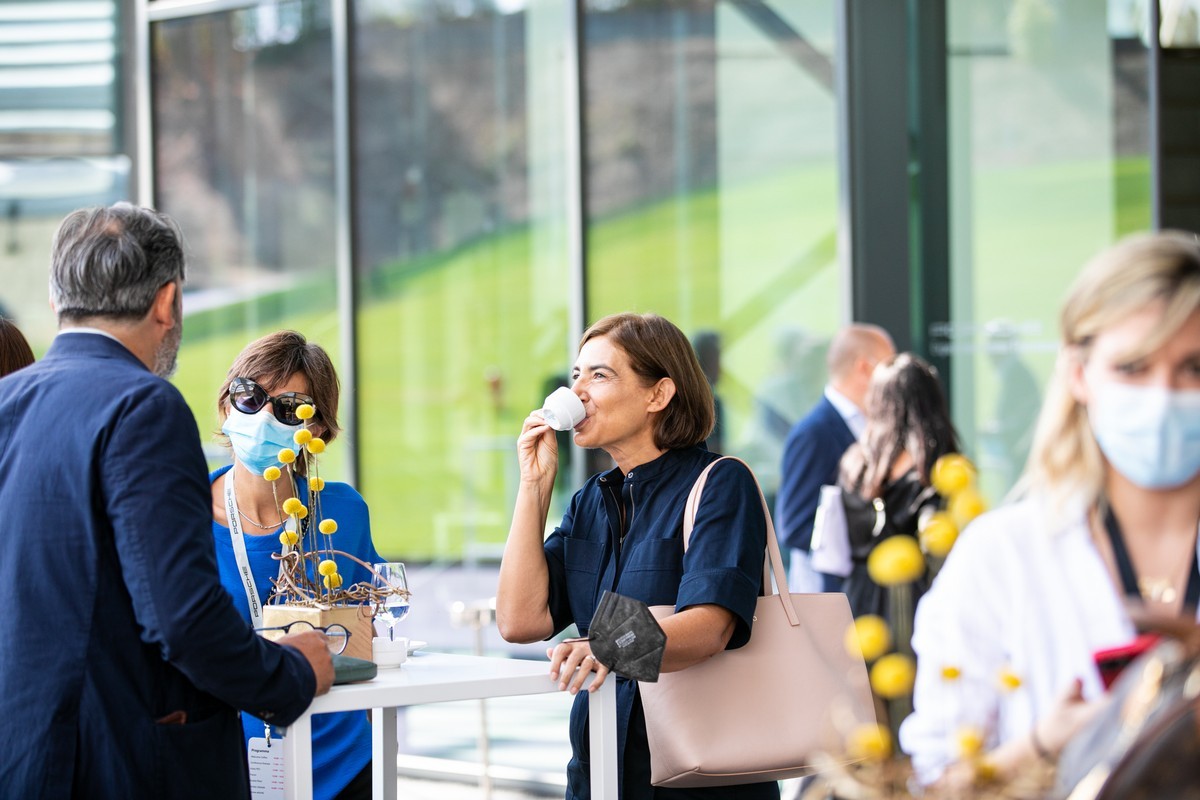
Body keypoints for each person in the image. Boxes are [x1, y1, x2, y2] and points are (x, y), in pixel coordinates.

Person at [0, 203, 333, 797]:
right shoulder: (144, 407)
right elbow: (181, 618)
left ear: (57, 303)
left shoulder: (9, 404)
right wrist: (293, 673)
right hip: (129, 766)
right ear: (167, 302)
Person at [900, 231, 1200, 787]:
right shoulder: (1003, 553)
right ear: (1080, 373)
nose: (1164, 396)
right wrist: (1045, 743)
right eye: (1133, 368)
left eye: (1194, 368)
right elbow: (936, 783)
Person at [496, 312, 778, 800]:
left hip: (697, 782)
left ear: (658, 395)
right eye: (576, 375)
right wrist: (534, 486)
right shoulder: (590, 500)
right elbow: (520, 621)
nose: (578, 391)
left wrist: (605, 645)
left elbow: (709, 627)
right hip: (599, 773)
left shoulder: (720, 483)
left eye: (599, 375)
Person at [210, 330, 382, 800]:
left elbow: (372, 627)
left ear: (319, 428)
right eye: (250, 397)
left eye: (290, 408)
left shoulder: (342, 512)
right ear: (227, 406)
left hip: (342, 760)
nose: (265, 416)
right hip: (230, 762)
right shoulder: (181, 515)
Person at [817, 353, 960, 621]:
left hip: (856, 606)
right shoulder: (937, 469)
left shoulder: (854, 462)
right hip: (917, 605)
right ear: (932, 403)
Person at [775, 324, 895, 592]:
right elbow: (794, 525)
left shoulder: (870, 423)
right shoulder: (813, 433)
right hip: (829, 598)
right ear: (864, 368)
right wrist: (865, 542)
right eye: (889, 367)